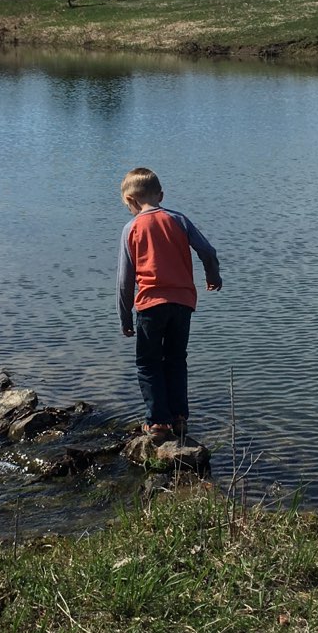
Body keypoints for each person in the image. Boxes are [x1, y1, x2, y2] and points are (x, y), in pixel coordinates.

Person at [116, 166, 222, 441]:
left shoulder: (132, 228)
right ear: (160, 194)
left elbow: (124, 282)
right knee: (176, 360)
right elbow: (207, 251)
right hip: (183, 303)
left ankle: (157, 423)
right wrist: (213, 274)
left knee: (149, 364)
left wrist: (125, 317)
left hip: (151, 305)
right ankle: (179, 418)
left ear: (130, 201)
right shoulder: (179, 220)